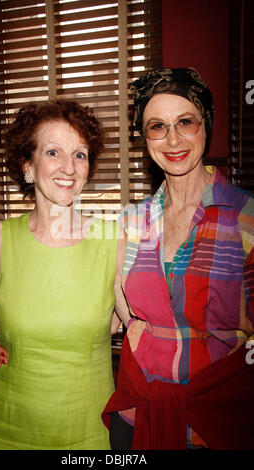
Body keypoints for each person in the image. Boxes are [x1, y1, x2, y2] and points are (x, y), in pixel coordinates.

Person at [0, 99, 126, 450]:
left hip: (87, 435)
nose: (68, 167)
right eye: (53, 152)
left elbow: (145, 329)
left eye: (80, 154)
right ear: (27, 165)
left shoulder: (113, 240)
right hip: (4, 433)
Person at [101, 67, 254, 450]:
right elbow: (111, 315)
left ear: (206, 126)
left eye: (185, 122)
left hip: (218, 423)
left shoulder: (247, 217)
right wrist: (19, 333)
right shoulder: (129, 222)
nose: (172, 139)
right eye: (157, 126)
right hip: (140, 416)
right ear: (144, 137)